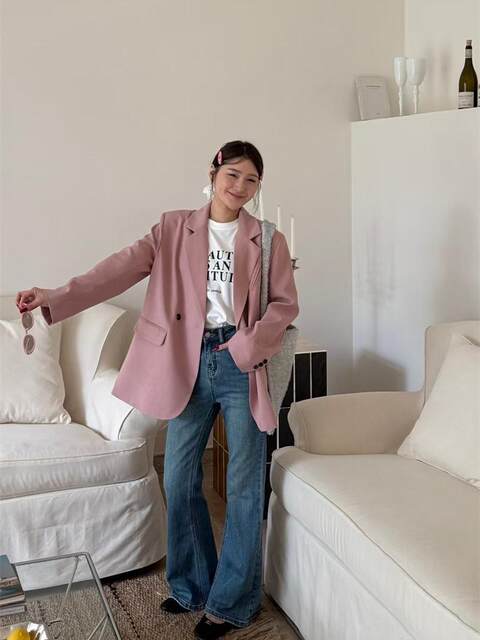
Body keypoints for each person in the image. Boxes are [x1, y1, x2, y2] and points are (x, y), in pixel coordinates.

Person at [16, 140, 299, 640]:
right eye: (233, 175)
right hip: (185, 363)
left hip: (240, 363)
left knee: (243, 485)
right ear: (213, 173)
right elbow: (117, 270)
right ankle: (191, 586)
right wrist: (55, 297)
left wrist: (246, 346)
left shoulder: (266, 239)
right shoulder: (173, 228)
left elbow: (283, 305)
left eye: (251, 180)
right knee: (180, 477)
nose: (240, 187)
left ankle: (232, 603)